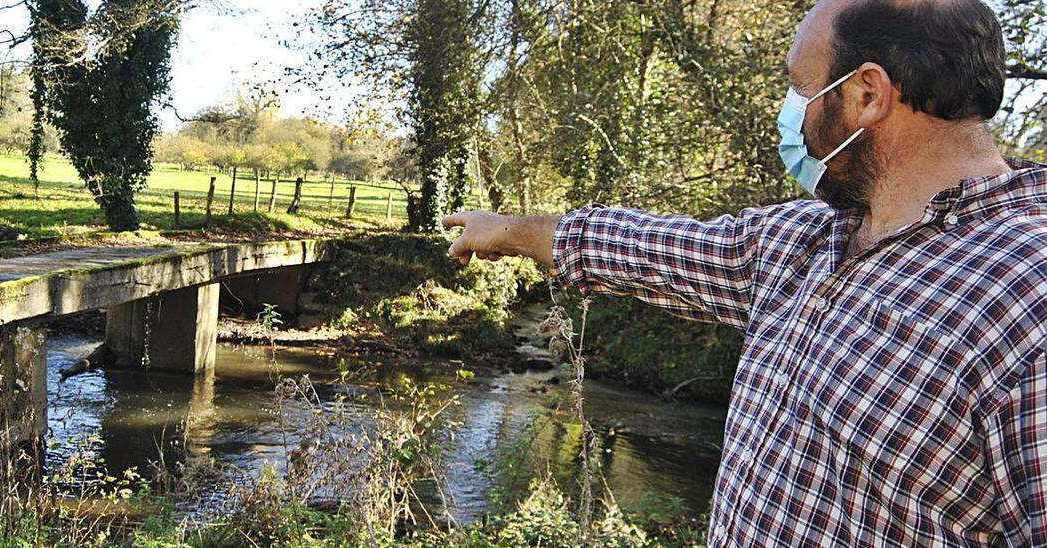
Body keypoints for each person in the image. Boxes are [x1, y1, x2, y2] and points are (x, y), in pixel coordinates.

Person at [443, 0, 1047, 545]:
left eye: (800, 87)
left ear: (867, 94)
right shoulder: (805, 238)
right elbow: (651, 248)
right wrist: (511, 230)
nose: (792, 115)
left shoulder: (1027, 299)